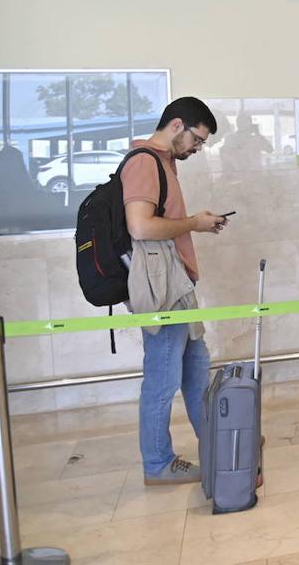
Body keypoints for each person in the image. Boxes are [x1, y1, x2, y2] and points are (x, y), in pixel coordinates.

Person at [123, 97, 229, 485]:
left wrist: (194, 224)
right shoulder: (144, 162)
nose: (197, 149)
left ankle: (217, 442)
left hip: (177, 284)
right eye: (197, 140)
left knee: (197, 369)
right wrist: (194, 224)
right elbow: (140, 227)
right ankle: (157, 464)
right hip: (164, 290)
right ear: (177, 125)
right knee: (162, 380)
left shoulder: (163, 163)